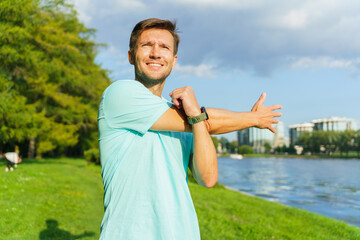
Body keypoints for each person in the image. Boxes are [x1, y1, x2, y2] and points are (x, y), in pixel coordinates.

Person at [98, 18, 282, 240]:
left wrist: (197, 117)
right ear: (130, 56)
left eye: (164, 47)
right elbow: (208, 121)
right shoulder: (120, 94)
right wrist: (252, 118)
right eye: (147, 45)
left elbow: (208, 178)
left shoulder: (190, 119)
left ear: (174, 60)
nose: (156, 53)